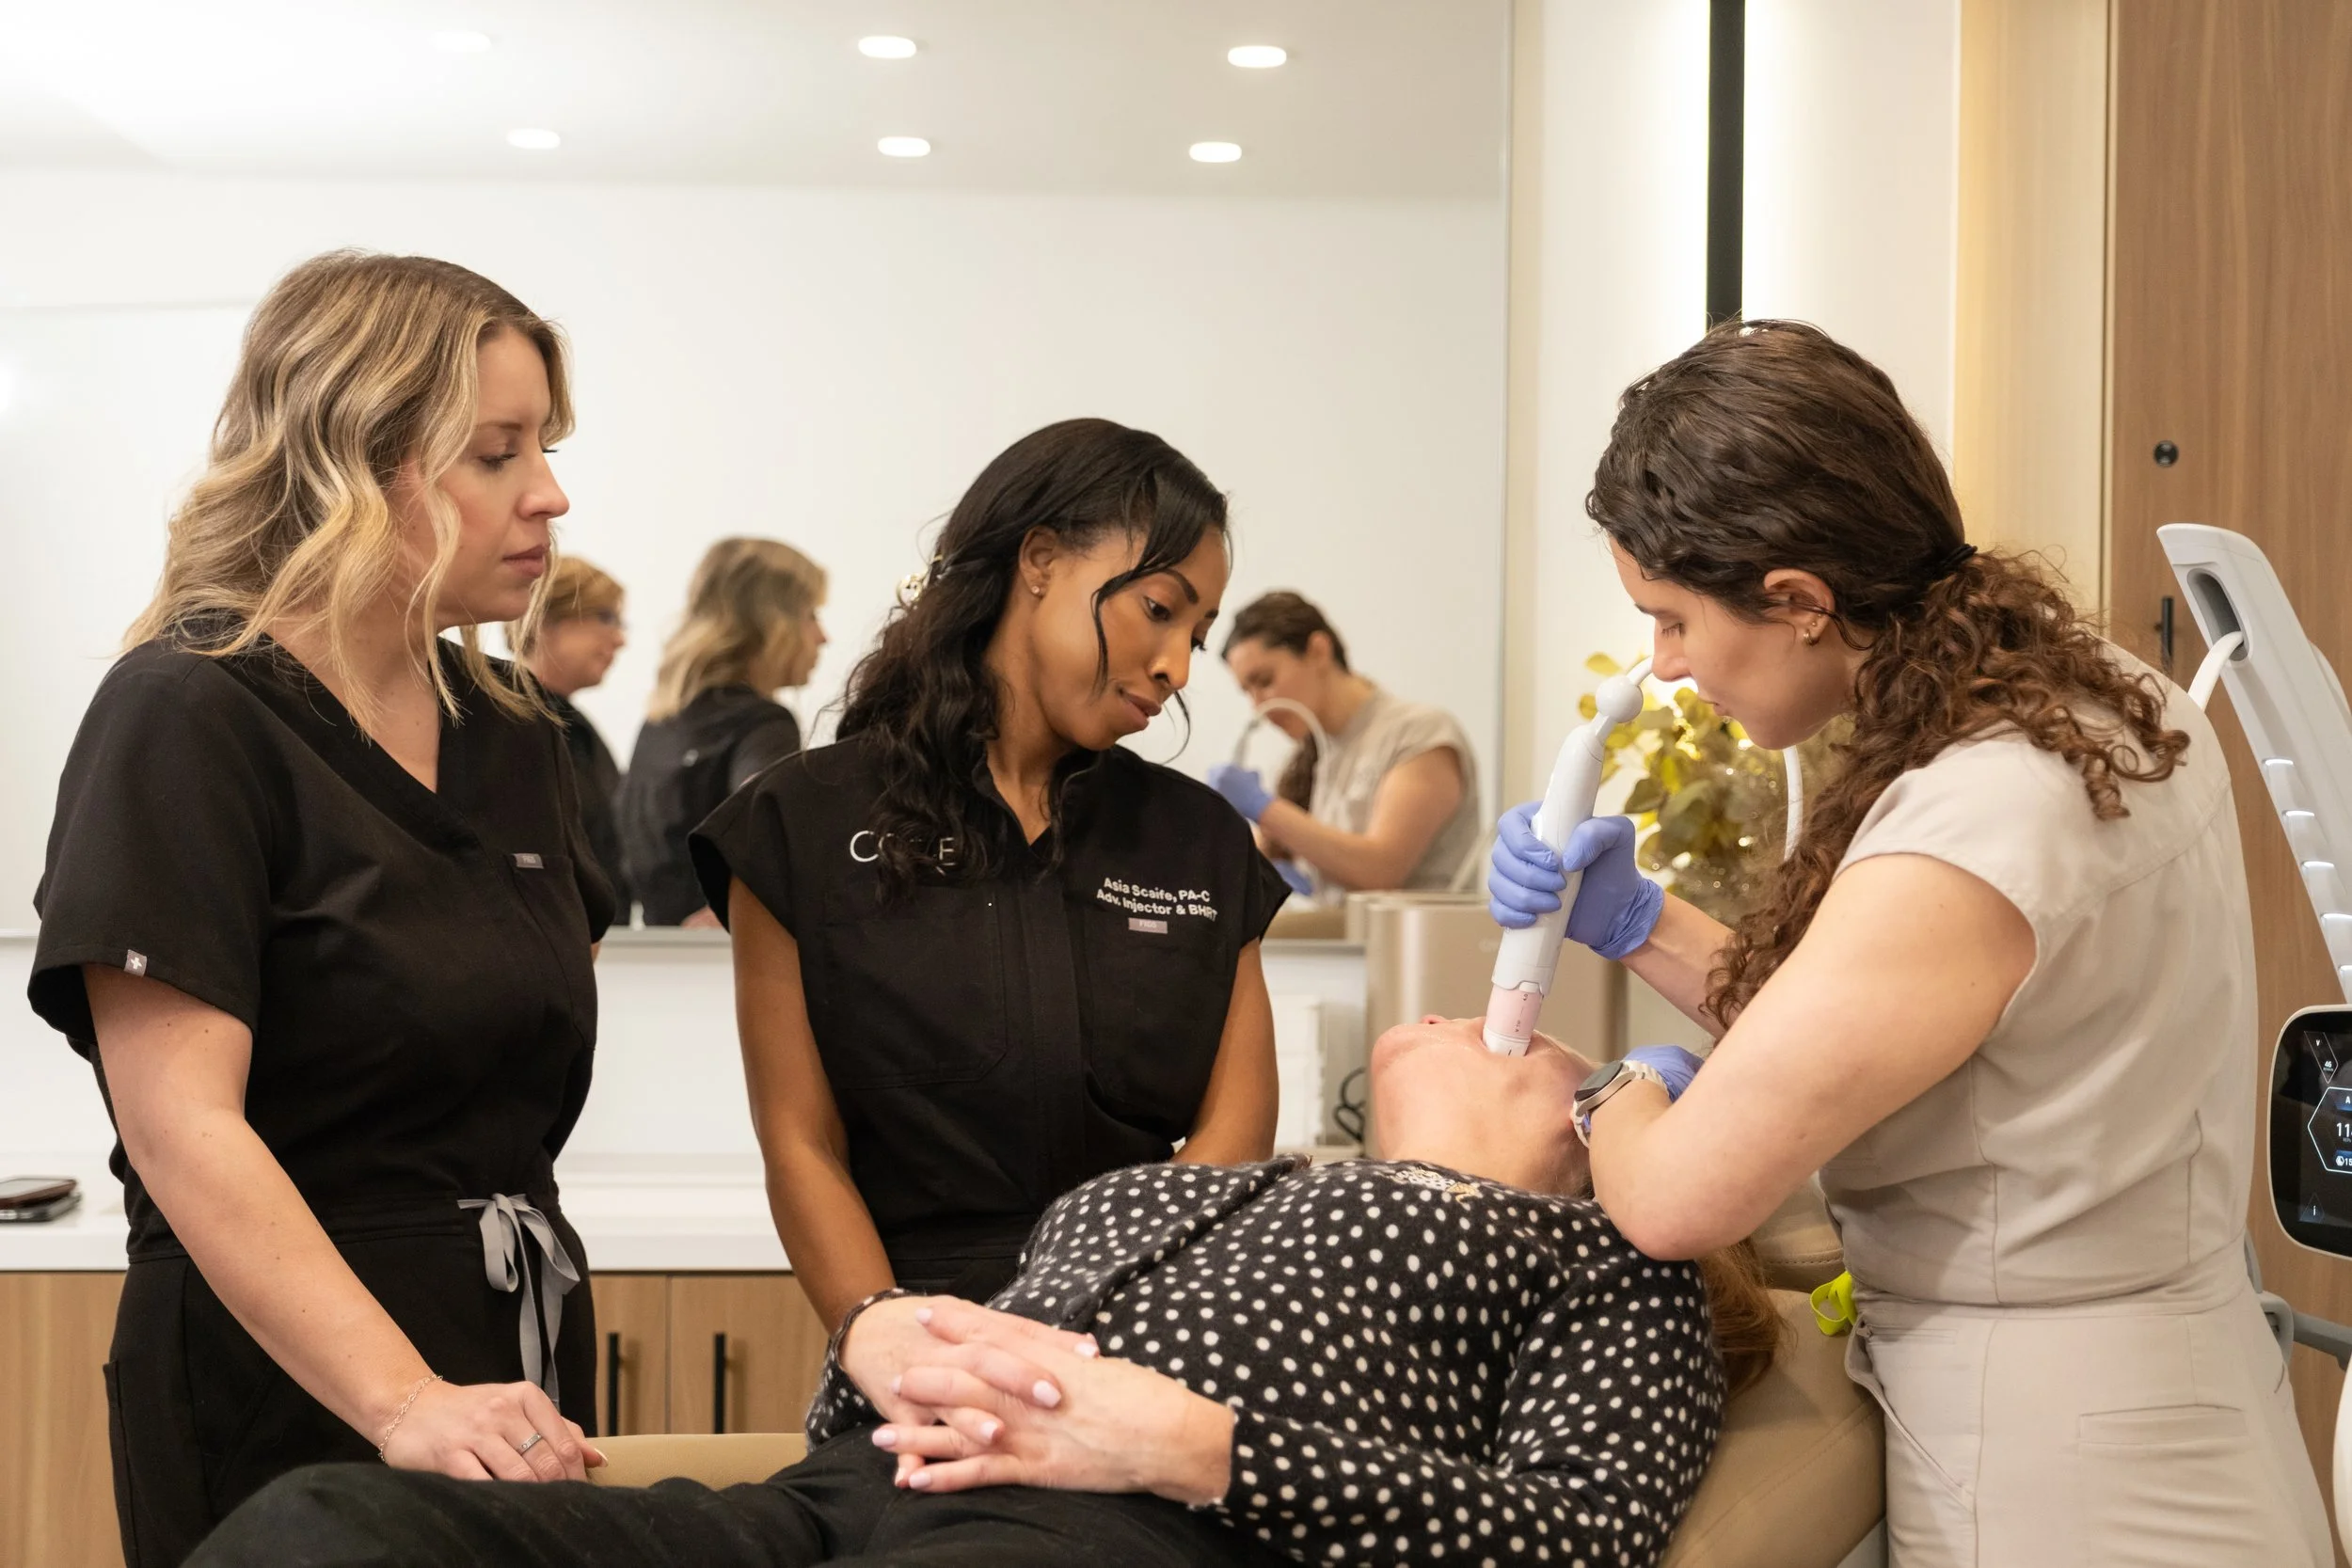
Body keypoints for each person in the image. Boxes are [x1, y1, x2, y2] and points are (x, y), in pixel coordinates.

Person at [1487, 320, 2332, 1566]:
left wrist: (1599, 1093)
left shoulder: (1986, 810)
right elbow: (1877, 1026)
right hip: (2166, 1396)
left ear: (1799, 600)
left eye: (1670, 619)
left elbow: (1674, 1198)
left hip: (2061, 1473)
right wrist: (1643, 917)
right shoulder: (2094, 696)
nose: (1662, 667)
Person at [188, 1015, 1778, 1568]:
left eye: (1548, 1049)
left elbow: (1568, 1538)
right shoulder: (1194, 1180)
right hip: (840, 1497)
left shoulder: (1601, 1264)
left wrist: (1186, 1444)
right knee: (321, 1528)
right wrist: (870, 1334)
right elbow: (904, 1360)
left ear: (1592, 1144)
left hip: (1133, 1531)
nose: (1462, 1016)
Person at [25, 251, 616, 1568]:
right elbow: (184, 1127)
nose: (550, 493)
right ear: (358, 461)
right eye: (495, 453)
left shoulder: (518, 738)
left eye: (547, 446)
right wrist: (404, 1397)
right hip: (280, 1383)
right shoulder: (185, 714)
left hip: (512, 1370)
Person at [687, 419, 1290, 1330]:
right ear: (1039, 558)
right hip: (911, 1343)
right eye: (1158, 609)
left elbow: (1231, 1138)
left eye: (1196, 637)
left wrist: (1095, 1327)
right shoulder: (798, 824)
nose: (1173, 666)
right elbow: (801, 1143)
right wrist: (889, 1337)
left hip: (1142, 1328)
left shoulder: (1198, 839)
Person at [1207, 591, 1482, 901]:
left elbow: (1381, 870)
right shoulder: (1309, 758)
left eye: (1265, 680)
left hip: (1421, 946)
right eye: (1247, 691)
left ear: (1318, 651)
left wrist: (1265, 808)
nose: (1258, 707)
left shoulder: (1418, 733)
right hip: (1345, 946)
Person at [618, 536, 826, 925]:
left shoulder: (659, 722)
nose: (822, 636)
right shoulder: (766, 724)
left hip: (653, 963)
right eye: (811, 615)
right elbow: (771, 850)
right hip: (719, 967)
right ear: (772, 621)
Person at [509, 553, 632, 915]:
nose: (620, 639)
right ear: (546, 618)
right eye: (605, 617)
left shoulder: (574, 724)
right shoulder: (510, 722)